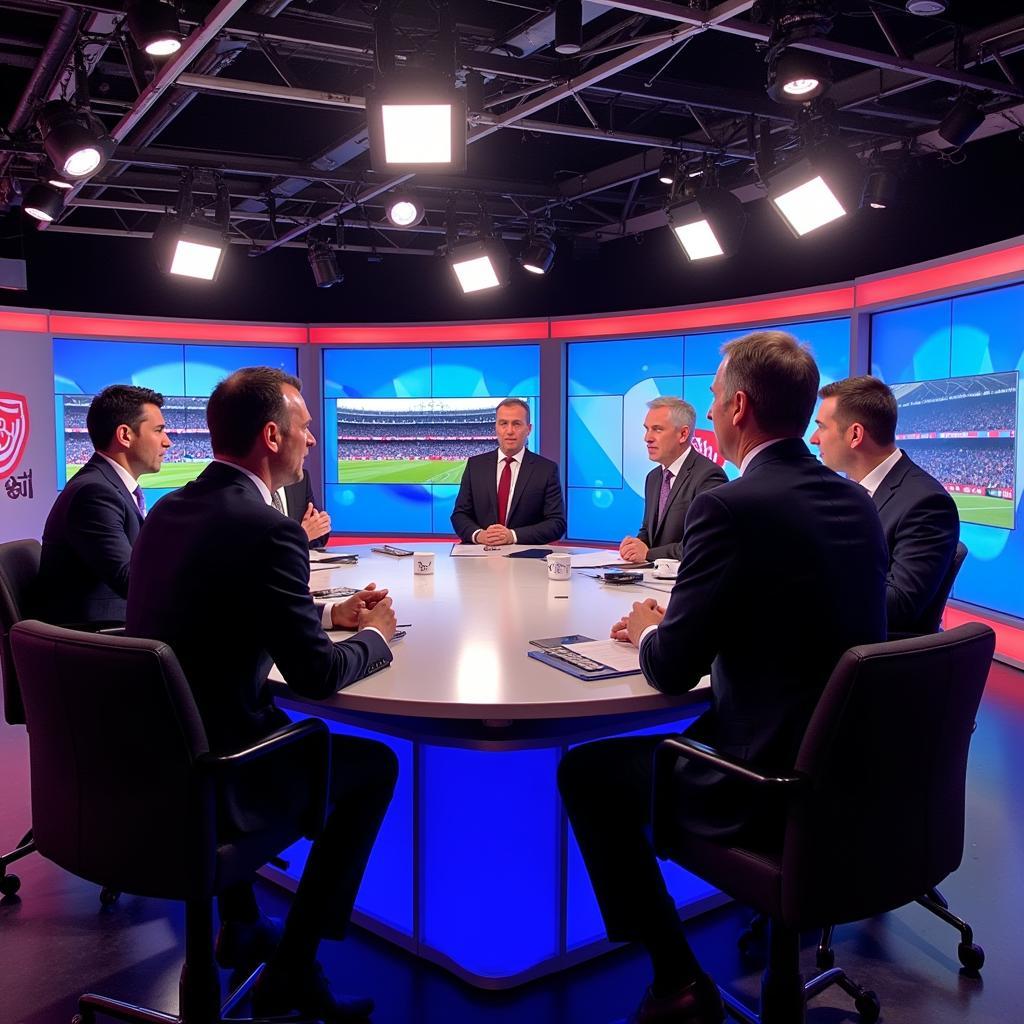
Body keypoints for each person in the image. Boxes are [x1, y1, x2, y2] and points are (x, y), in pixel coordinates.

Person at [558, 332, 887, 1024]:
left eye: (711, 398)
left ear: (738, 407)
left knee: (588, 775)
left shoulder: (730, 507)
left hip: (764, 784)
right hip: (854, 780)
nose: (709, 411)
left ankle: (677, 978)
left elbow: (673, 670)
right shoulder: (857, 501)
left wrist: (651, 626)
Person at [126, 367, 398, 1022]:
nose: (312, 444)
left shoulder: (169, 510)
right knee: (373, 768)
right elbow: (315, 677)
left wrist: (330, 619)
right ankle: (294, 972)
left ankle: (242, 922)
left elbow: (220, 611)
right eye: (305, 430)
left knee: (247, 716)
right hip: (221, 773)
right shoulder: (269, 529)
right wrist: (378, 640)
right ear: (272, 436)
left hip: (144, 763)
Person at [811, 375, 960, 635]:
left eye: (821, 427)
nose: (814, 439)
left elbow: (899, 605)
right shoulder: (844, 492)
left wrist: (810, 586)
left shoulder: (927, 503)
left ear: (855, 434)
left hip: (875, 658)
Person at [35, 385, 171, 626]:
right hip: (95, 638)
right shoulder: (95, 493)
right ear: (125, 435)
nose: (167, 442)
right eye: (159, 430)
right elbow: (131, 581)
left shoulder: (107, 486)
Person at [619, 397, 727, 564]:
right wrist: (636, 545)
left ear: (683, 434)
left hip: (688, 583)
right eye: (647, 429)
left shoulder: (709, 476)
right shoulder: (653, 477)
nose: (647, 438)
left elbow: (702, 545)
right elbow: (648, 531)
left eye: (657, 429)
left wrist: (647, 554)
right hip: (651, 582)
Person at [450, 397, 565, 545]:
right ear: (496, 427)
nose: (509, 431)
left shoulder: (546, 469)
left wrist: (512, 536)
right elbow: (460, 514)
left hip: (525, 557)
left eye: (517, 424)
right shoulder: (475, 465)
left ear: (528, 429)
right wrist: (479, 535)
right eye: (503, 423)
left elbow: (557, 523)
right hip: (479, 555)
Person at [277, 466, 331, 548]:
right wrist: (302, 536)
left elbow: (315, 541)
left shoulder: (300, 479)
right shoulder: (251, 489)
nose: (306, 453)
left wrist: (320, 524)